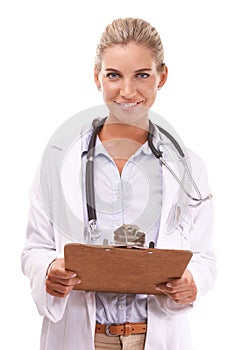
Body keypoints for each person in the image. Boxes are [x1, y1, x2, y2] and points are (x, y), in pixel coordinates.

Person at [22, 17, 216, 350]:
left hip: (153, 337)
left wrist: (193, 281)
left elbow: (204, 258)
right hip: (82, 336)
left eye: (142, 75)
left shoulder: (188, 166)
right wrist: (49, 269)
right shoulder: (59, 161)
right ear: (96, 76)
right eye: (114, 75)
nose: (127, 91)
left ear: (162, 77)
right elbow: (34, 250)